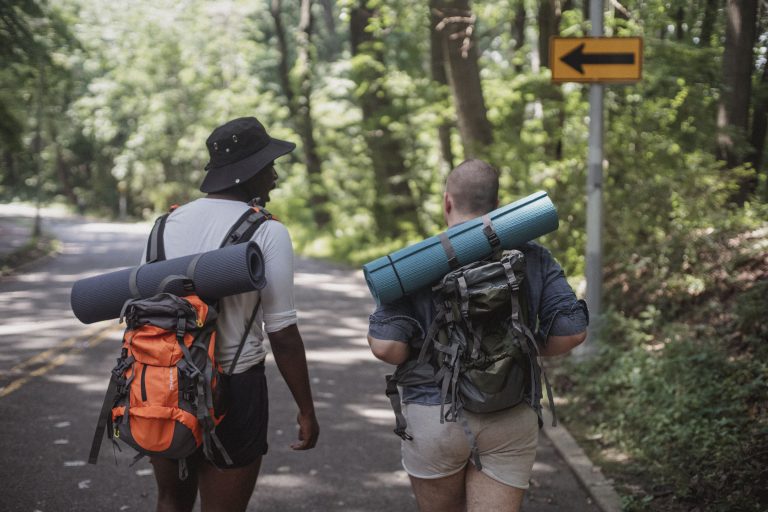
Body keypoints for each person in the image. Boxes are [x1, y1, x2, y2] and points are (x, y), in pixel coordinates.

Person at [366, 159, 588, 512]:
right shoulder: (533, 255)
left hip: (435, 414)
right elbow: (573, 332)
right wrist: (523, 348)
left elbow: (387, 347)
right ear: (499, 207)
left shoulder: (414, 266)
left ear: (447, 202)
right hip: (511, 410)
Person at [148, 116, 319, 512]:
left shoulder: (163, 225)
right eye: (270, 166)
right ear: (250, 173)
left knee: (170, 501)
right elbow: (282, 332)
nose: (275, 177)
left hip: (164, 382)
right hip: (235, 389)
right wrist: (306, 410)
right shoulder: (266, 232)